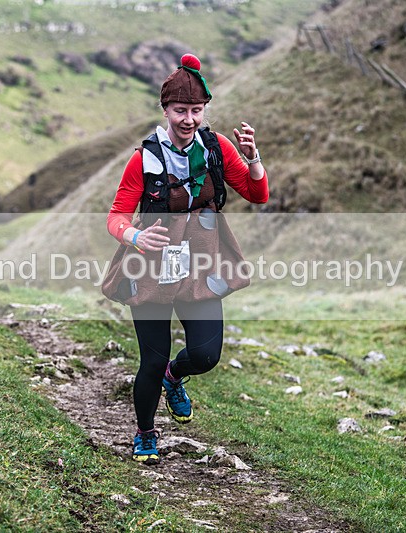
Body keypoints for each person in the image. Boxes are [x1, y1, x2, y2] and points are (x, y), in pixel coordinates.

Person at [105, 53, 269, 464]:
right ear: (165, 109)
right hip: (151, 267)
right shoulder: (144, 159)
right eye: (180, 110)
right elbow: (117, 216)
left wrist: (253, 160)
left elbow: (257, 194)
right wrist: (136, 236)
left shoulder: (216, 149)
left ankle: (174, 376)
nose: (189, 119)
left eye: (196, 110)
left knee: (206, 355)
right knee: (151, 359)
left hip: (201, 266)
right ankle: (145, 433)